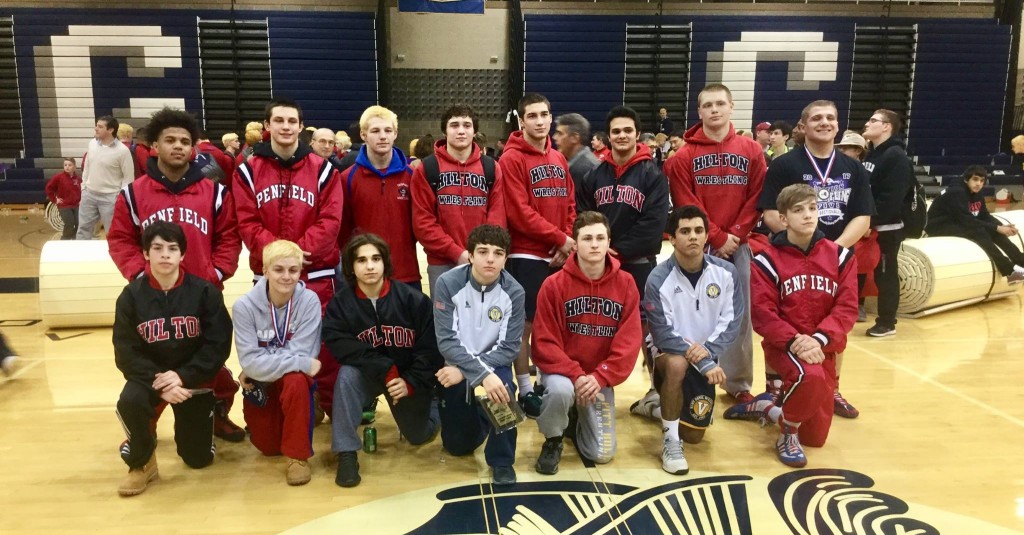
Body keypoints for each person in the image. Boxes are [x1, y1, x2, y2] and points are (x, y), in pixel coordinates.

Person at [107, 107, 245, 441]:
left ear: (194, 147)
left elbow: (229, 236)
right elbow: (120, 239)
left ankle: (215, 416)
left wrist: (217, 272)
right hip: (153, 298)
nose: (178, 146)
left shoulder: (214, 192)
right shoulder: (133, 193)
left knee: (213, 369)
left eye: (185, 141)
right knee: (152, 365)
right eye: (170, 140)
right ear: (154, 145)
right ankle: (144, 430)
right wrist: (139, 275)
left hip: (201, 295)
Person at [756, 101, 873, 414]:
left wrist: (831, 250)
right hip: (790, 254)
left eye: (831, 118)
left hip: (836, 257)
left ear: (838, 125)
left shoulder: (853, 168)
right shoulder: (784, 165)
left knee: (834, 320)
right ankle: (776, 386)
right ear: (803, 126)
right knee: (783, 316)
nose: (825, 123)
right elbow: (769, 212)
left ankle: (831, 387)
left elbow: (863, 217)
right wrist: (801, 240)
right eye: (817, 118)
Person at [730, 184, 858, 467]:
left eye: (812, 208)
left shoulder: (840, 256)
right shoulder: (766, 261)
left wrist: (820, 339)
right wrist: (796, 341)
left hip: (823, 347)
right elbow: (762, 314)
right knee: (810, 379)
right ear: (784, 219)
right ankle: (786, 433)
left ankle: (768, 409)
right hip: (785, 346)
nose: (808, 216)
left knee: (815, 438)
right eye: (799, 210)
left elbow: (847, 308)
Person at [234, 97, 344, 417]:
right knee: (272, 344)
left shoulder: (323, 170)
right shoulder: (247, 172)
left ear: (300, 127)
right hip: (268, 275)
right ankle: (285, 408)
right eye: (278, 121)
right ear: (267, 127)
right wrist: (279, 261)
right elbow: (247, 221)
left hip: (316, 272)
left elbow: (331, 220)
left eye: (291, 121)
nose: (285, 127)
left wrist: (294, 257)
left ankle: (331, 408)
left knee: (322, 344)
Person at [662, 82, 765, 407]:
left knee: (739, 314)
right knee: (693, 314)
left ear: (731, 107)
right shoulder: (684, 156)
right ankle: (696, 375)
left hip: (740, 245)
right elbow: (685, 202)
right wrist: (717, 237)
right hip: (700, 245)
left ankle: (738, 383)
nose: (715, 110)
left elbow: (756, 197)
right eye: (708, 105)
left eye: (720, 104)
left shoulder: (751, 150)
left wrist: (734, 235)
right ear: (700, 111)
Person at [113, 221, 232, 496]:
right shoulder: (130, 297)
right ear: (145, 253)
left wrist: (182, 376)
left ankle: (200, 432)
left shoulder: (204, 292)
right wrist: (163, 382)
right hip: (150, 378)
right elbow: (125, 352)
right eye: (157, 248)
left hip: (192, 379)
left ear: (182, 255)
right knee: (129, 400)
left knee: (198, 460)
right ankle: (141, 463)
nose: (165, 254)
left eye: (172, 248)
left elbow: (218, 345)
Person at [322, 234, 443, 487]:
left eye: (376, 259)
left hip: (407, 378)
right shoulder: (341, 305)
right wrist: (386, 368)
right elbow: (340, 346)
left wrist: (410, 382)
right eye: (361, 260)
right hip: (369, 376)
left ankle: (434, 403)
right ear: (351, 267)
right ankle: (346, 453)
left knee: (418, 436)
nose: (369, 266)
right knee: (346, 375)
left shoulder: (413, 300)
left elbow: (430, 350)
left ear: (384, 262)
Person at [531, 211, 641, 474]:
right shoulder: (553, 284)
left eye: (600, 238)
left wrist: (601, 377)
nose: (594, 244)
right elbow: (544, 342)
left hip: (598, 378)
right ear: (575, 243)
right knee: (560, 391)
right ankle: (553, 438)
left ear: (608, 243)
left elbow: (629, 342)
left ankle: (575, 418)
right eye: (587, 238)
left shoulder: (626, 284)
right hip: (564, 373)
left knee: (601, 454)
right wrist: (577, 375)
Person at [577, 105, 669, 420]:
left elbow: (654, 225)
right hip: (599, 264)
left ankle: (657, 391)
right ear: (608, 135)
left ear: (636, 134)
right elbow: (584, 218)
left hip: (638, 261)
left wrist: (614, 251)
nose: (621, 136)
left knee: (647, 327)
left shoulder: (652, 174)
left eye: (627, 130)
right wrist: (599, 252)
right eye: (616, 131)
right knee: (593, 320)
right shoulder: (594, 174)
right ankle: (588, 384)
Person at [644, 205, 743, 474]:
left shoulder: (726, 274)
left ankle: (655, 407)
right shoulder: (657, 278)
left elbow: (732, 322)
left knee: (696, 437)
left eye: (699, 230)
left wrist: (707, 354)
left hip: (707, 356)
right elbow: (662, 333)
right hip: (669, 353)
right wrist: (704, 362)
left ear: (707, 235)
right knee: (677, 365)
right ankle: (670, 440)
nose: (693, 237)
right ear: (672, 238)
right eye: (685, 231)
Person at [501, 93, 577, 417]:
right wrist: (561, 239)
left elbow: (571, 203)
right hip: (527, 254)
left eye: (544, 114)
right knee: (525, 325)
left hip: (558, 253)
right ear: (521, 121)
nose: (540, 121)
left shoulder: (558, 159)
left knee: (553, 325)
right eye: (532, 116)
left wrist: (568, 240)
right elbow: (519, 213)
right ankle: (525, 388)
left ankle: (548, 380)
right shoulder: (511, 159)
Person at [433, 224, 525, 486]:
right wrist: (475, 372)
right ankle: (481, 420)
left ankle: (502, 461)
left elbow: (509, 348)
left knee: (504, 389)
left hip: (492, 365)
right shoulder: (448, 283)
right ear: (470, 255)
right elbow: (447, 342)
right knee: (457, 447)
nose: (490, 259)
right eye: (483, 252)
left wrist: (478, 373)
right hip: (457, 362)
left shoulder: (514, 292)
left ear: (506, 259)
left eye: (498, 253)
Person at [233, 240, 323, 486]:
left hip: (286, 380)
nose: (286, 276)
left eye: (293, 270)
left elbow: (306, 351)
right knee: (269, 448)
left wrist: (263, 364)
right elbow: (251, 362)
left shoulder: (309, 301)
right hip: (260, 383)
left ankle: (297, 457)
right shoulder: (244, 307)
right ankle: (299, 413)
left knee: (295, 380)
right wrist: (301, 363)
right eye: (279, 270)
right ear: (265, 271)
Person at [411, 103, 506, 292]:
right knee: (446, 321)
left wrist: (484, 252)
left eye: (467, 125)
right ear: (445, 131)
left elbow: (497, 217)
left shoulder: (491, 168)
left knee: (484, 320)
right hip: (442, 262)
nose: (461, 131)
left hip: (483, 261)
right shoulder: (428, 168)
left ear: (474, 131)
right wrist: (457, 253)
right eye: (454, 125)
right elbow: (423, 223)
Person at [339, 106, 420, 288]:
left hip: (405, 274)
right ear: (363, 134)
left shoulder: (412, 176)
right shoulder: (347, 179)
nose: (382, 136)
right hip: (364, 277)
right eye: (375, 131)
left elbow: (420, 224)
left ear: (395, 134)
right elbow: (343, 231)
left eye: (387, 130)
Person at [862, 108, 915, 337]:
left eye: (873, 120)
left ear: (887, 127)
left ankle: (887, 322)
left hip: (886, 228)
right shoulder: (873, 154)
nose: (867, 123)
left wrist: (870, 223)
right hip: (869, 225)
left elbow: (891, 199)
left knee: (886, 274)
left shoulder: (895, 156)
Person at [926, 165, 1024, 283]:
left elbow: (984, 215)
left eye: (982, 181)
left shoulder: (977, 192)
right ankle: (1009, 270)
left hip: (956, 220)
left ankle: (1020, 261)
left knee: (994, 231)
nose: (979, 184)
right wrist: (997, 227)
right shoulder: (957, 192)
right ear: (966, 179)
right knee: (978, 231)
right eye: (975, 179)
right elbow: (966, 220)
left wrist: (1001, 226)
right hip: (938, 225)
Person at [836, 130, 880, 327]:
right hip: (841, 221)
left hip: (861, 222)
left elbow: (872, 199)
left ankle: (858, 303)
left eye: (848, 148)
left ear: (858, 151)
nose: (843, 150)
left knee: (862, 264)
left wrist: (867, 222)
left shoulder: (865, 171)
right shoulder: (836, 168)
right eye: (842, 147)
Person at [77, 115, 135, 239]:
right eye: (96, 125)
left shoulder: (123, 151)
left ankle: (113, 257)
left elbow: (128, 178)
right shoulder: (92, 144)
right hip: (89, 195)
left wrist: (119, 198)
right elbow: (87, 166)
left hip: (110, 198)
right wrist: (83, 188)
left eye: (100, 126)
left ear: (110, 130)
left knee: (113, 233)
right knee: (83, 230)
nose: (95, 129)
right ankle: (81, 257)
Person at [553, 113, 600, 186]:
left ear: (574, 138)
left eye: (560, 133)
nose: (554, 137)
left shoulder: (581, 169)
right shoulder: (584, 162)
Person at [45, 157, 82, 240]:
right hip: (64, 205)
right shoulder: (58, 177)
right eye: (65, 165)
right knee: (69, 223)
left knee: (78, 223)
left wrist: (81, 200)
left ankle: (74, 239)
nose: (67, 167)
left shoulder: (78, 179)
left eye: (70, 165)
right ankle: (64, 240)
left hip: (76, 205)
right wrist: (55, 199)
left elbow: (82, 190)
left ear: (74, 167)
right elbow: (48, 188)